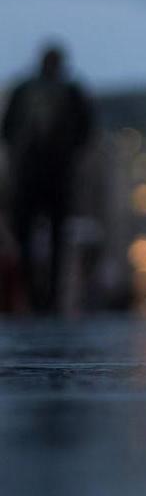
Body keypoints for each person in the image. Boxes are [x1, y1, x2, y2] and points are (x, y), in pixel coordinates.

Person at [2, 44, 94, 314]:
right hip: (39, 173)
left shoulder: (60, 92)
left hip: (52, 174)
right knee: (34, 237)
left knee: (51, 237)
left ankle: (45, 296)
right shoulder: (46, 91)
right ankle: (38, 295)